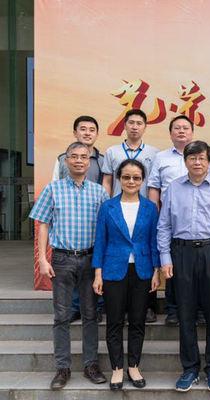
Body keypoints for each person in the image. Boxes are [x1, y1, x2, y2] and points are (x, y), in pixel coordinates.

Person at [157, 140, 210, 392]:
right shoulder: (173, 188)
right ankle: (190, 368)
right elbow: (164, 225)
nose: (197, 162)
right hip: (181, 252)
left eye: (202, 158)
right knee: (185, 312)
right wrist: (165, 258)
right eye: (192, 158)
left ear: (209, 161)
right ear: (185, 161)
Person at [29, 142, 109, 390]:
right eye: (74, 156)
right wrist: (42, 259)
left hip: (90, 259)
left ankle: (91, 364)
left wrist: (102, 264)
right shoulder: (52, 189)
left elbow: (105, 230)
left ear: (89, 161)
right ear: (66, 161)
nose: (79, 161)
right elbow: (42, 224)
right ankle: (62, 368)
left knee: (90, 315)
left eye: (83, 157)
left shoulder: (99, 192)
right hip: (62, 259)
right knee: (61, 316)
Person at [91, 159, 161, 390]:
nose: (131, 181)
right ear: (119, 179)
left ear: (142, 181)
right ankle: (117, 369)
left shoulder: (150, 208)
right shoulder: (108, 207)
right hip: (113, 270)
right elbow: (100, 241)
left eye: (136, 177)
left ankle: (134, 366)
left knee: (138, 321)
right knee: (114, 321)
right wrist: (98, 273)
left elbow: (153, 241)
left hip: (142, 270)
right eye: (127, 177)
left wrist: (156, 271)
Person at [51, 115, 105, 324]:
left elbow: (106, 187)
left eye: (92, 130)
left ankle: (96, 307)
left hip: (93, 219)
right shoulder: (62, 159)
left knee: (93, 267)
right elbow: (53, 186)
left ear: (97, 134)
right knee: (73, 267)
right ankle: (75, 307)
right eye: (83, 129)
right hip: (70, 220)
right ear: (75, 132)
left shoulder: (103, 160)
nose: (87, 133)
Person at [147, 115, 196, 325]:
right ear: (170, 133)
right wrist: (155, 215)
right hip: (170, 219)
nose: (181, 131)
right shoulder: (161, 157)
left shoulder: (200, 155)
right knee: (171, 264)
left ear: (192, 132)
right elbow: (154, 187)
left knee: (195, 268)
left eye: (185, 128)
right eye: (177, 128)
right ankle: (173, 309)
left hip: (197, 219)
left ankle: (197, 309)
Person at [102, 109, 159, 197]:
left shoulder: (154, 153)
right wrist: (107, 203)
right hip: (117, 203)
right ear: (125, 126)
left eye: (139, 123)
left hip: (144, 203)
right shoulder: (112, 151)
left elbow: (154, 185)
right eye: (131, 123)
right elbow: (107, 182)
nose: (134, 127)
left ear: (145, 128)